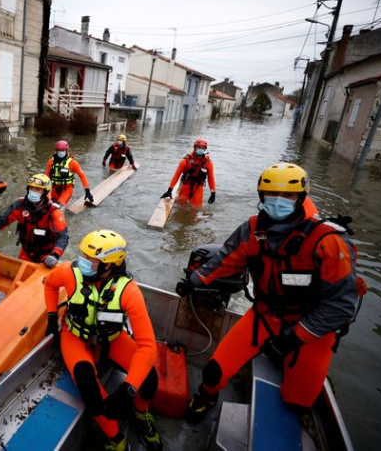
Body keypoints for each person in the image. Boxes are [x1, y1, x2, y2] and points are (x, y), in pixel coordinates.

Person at [178, 163, 360, 424]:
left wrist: (292, 338)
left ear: (302, 198)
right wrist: (193, 280)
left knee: (296, 404)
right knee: (214, 371)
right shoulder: (252, 229)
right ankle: (206, 396)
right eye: (271, 194)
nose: (278, 201)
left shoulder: (329, 242)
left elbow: (340, 308)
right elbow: (225, 260)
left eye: (288, 196)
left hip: (313, 330)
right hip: (266, 315)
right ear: (261, 196)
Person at [44, 230, 162, 451]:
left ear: (109, 265)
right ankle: (116, 439)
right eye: (83, 255)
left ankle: (140, 412)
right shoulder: (70, 272)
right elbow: (50, 284)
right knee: (87, 383)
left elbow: (147, 346)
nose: (83, 262)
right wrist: (51, 317)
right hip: (75, 337)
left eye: (91, 259)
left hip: (113, 339)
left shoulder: (129, 292)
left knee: (149, 378)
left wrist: (128, 389)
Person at [0, 174, 68, 268]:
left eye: (37, 189)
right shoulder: (20, 205)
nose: (33, 192)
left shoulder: (54, 212)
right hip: (26, 252)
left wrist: (54, 255)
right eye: (31, 188)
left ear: (45, 192)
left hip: (46, 256)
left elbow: (62, 236)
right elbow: (2, 221)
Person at [160, 138, 216, 207]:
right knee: (180, 208)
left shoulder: (208, 163)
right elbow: (176, 175)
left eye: (203, 148)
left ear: (205, 149)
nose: (201, 149)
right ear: (195, 148)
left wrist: (213, 193)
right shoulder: (185, 161)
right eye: (199, 147)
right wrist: (170, 190)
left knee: (196, 209)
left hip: (198, 189)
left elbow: (211, 179)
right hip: (185, 187)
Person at [45, 140, 93, 206]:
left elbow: (82, 176)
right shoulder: (51, 162)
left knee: (59, 206)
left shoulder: (73, 163)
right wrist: (43, 190)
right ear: (56, 150)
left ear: (66, 150)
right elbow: (46, 176)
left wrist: (87, 191)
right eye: (59, 150)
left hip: (67, 189)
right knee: (49, 206)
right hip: (55, 188)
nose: (60, 152)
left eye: (62, 150)